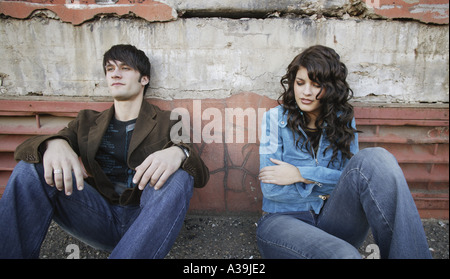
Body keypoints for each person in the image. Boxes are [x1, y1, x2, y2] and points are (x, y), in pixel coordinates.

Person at [0, 44, 209, 259]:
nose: (115, 74)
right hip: (97, 215)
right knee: (32, 166)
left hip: (146, 219)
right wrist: (54, 143)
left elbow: (200, 173)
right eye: (110, 69)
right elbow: (25, 150)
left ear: (144, 79)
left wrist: (178, 153)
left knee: (180, 176)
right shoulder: (87, 121)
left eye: (125, 68)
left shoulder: (168, 120)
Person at [257, 45, 431, 259]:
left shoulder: (341, 120)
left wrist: (301, 175)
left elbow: (354, 180)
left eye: (316, 84)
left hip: (333, 219)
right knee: (345, 255)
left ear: (330, 88)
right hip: (283, 222)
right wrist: (327, 184)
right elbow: (271, 190)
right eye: (300, 83)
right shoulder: (274, 119)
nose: (306, 92)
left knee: (376, 159)